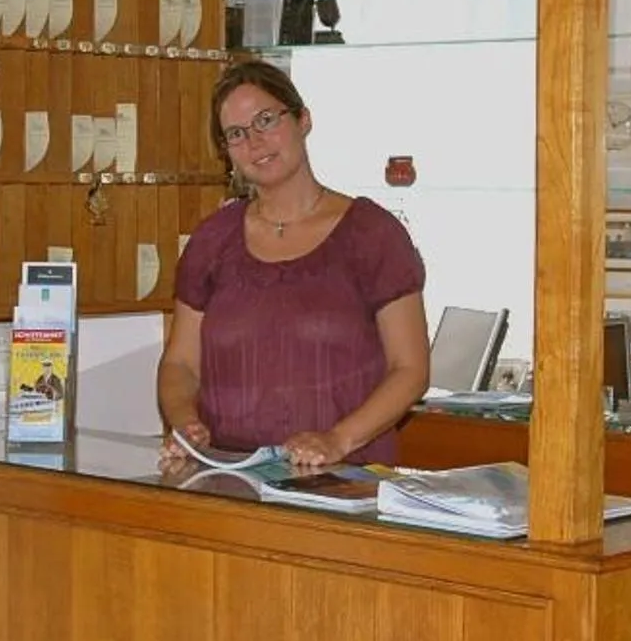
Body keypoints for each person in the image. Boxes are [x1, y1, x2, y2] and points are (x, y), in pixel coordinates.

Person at [159, 59, 429, 475]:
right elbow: (180, 363)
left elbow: (410, 370)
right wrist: (184, 421)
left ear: (303, 119)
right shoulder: (213, 240)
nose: (255, 142)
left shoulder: (372, 235)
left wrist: (337, 439)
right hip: (228, 482)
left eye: (266, 120)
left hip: (343, 488)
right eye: (236, 134)